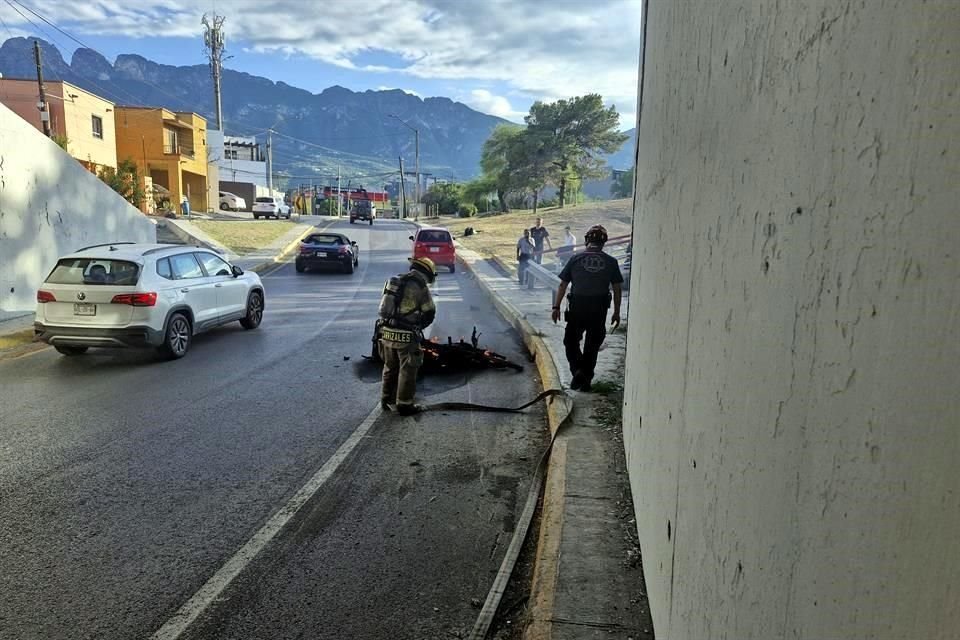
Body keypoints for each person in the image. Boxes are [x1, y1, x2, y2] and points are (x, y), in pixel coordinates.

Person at [551, 225, 623, 392]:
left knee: (570, 341)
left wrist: (556, 307)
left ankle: (578, 370)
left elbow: (563, 284)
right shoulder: (611, 262)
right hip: (599, 308)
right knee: (592, 344)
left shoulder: (575, 259)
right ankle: (585, 377)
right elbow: (617, 288)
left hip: (577, 307)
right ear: (603, 243)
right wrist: (617, 312)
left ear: (586, 241)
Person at [378, 257, 437, 416]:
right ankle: (405, 404)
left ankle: (386, 400)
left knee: (390, 367)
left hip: (386, 333)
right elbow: (430, 311)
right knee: (408, 370)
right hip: (406, 336)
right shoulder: (419, 285)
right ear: (427, 273)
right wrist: (417, 327)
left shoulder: (395, 280)